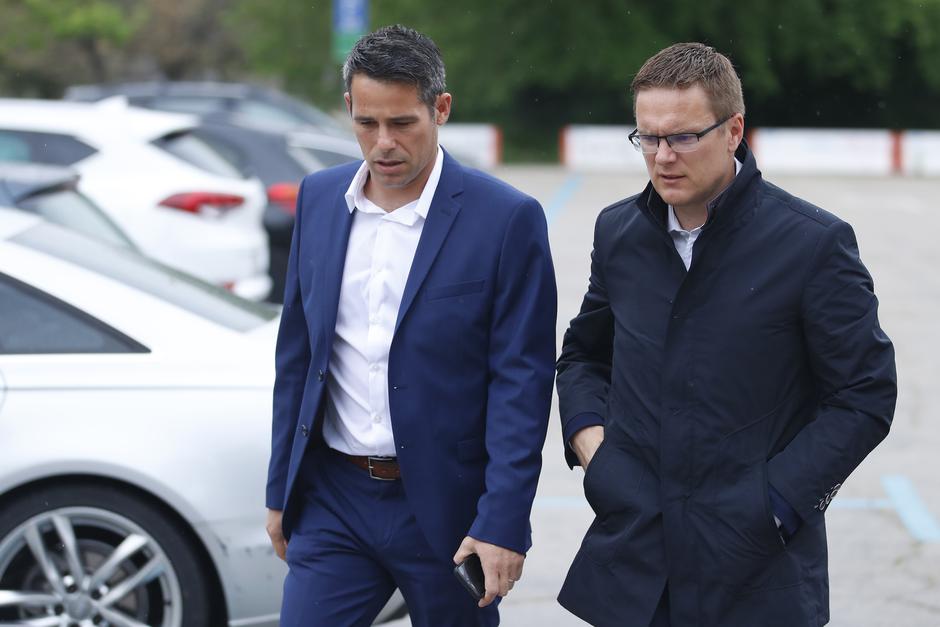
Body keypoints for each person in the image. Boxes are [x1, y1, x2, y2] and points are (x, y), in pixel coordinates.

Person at [555, 42, 897, 627]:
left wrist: (775, 504)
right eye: (648, 138)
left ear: (734, 130)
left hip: (756, 571)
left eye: (684, 137)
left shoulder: (813, 244)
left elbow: (864, 395)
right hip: (635, 564)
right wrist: (595, 453)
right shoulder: (618, 232)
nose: (663, 156)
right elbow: (584, 356)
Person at [265, 24, 556, 627]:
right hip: (334, 497)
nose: (383, 143)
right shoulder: (318, 199)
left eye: (402, 123)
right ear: (348, 107)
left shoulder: (506, 219)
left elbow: (521, 384)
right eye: (367, 123)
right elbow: (297, 354)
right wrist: (279, 492)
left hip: (449, 509)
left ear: (440, 108)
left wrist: (502, 520)